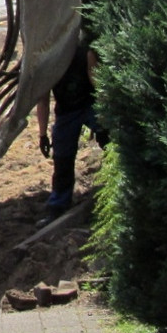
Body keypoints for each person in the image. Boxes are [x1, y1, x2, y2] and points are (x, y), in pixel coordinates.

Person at [35, 30, 108, 225]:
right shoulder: (46, 64)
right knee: (62, 157)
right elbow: (42, 101)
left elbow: (98, 87)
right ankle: (58, 205)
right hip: (66, 111)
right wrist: (42, 134)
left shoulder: (84, 54)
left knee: (107, 137)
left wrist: (106, 122)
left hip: (88, 105)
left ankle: (118, 175)